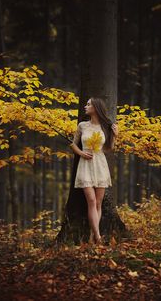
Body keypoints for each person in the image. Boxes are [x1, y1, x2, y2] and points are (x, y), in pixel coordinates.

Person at [69, 97, 119, 244]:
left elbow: (108, 148)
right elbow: (73, 145)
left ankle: (93, 235)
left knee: (98, 202)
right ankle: (98, 236)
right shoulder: (82, 126)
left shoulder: (105, 127)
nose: (86, 106)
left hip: (100, 164)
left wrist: (115, 136)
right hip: (85, 165)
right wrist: (81, 153)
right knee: (90, 200)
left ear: (96, 108)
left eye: (89, 104)